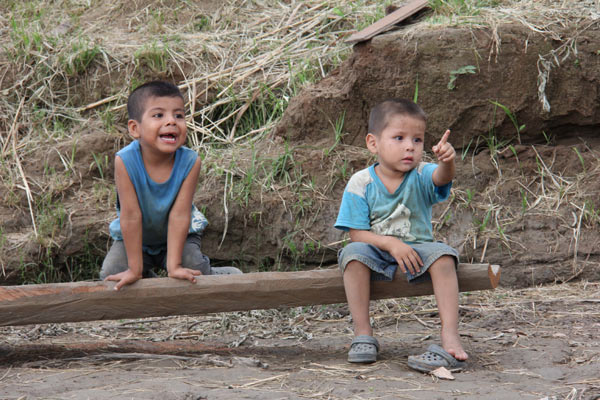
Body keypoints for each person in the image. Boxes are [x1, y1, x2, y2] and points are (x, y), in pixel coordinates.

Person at [334, 98, 467, 372]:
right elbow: (357, 235)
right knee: (352, 256)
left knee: (443, 257)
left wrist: (448, 162)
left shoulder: (421, 174)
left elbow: (441, 178)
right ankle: (363, 335)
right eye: (399, 138)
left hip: (418, 251)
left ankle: (450, 337)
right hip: (376, 251)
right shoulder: (361, 183)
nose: (410, 146)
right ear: (373, 143)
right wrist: (390, 243)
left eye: (417, 140)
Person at [100, 81, 241, 291]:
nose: (171, 122)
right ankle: (146, 274)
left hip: (178, 237)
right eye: (158, 115)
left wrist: (174, 266)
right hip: (139, 240)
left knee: (193, 267)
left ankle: (226, 274)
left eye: (179, 115)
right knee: (112, 272)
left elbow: (179, 215)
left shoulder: (190, 162)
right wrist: (134, 268)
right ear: (135, 128)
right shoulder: (125, 161)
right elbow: (130, 216)